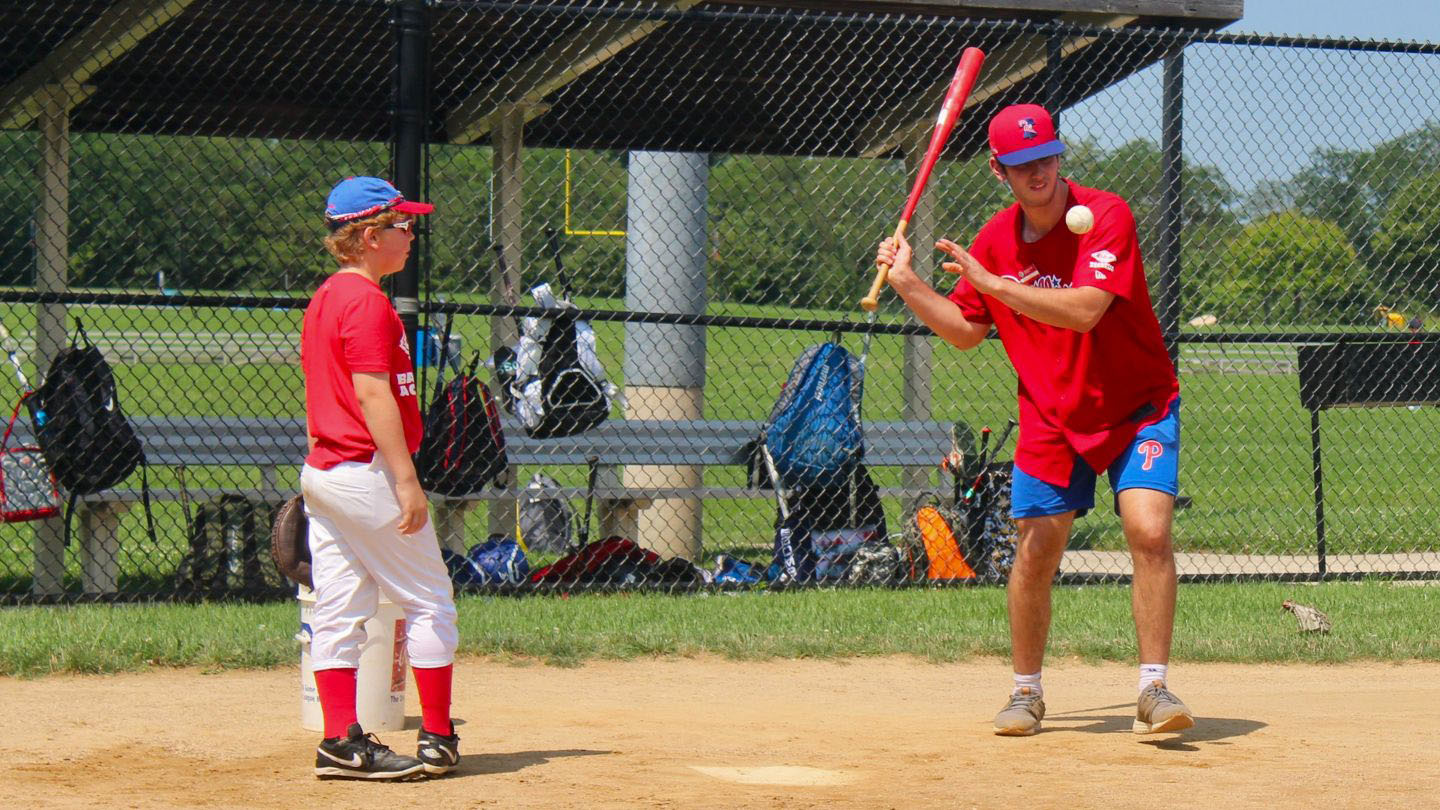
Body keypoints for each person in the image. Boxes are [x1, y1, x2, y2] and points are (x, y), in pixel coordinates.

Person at [875, 104, 1194, 738]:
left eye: (1045, 156)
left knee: (1149, 533)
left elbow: (1085, 311)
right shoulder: (995, 240)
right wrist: (911, 284)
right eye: (1022, 164)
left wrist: (995, 285)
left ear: (1059, 154)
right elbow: (967, 332)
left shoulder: (1105, 216)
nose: (1038, 171)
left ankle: (1154, 689)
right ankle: (1026, 693)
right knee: (1034, 552)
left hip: (1136, 406)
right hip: (1052, 413)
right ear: (999, 170)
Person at [300, 176, 461, 778]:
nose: (411, 234)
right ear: (369, 237)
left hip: (328, 470)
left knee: (341, 607)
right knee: (428, 601)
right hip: (365, 470)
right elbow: (371, 394)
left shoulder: (328, 296)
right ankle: (439, 738)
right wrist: (405, 480)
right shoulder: (366, 302)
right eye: (402, 225)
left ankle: (341, 741)